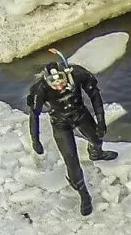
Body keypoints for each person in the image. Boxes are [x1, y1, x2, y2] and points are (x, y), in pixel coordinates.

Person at [28, 60, 117, 216]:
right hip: (60, 123)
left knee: (97, 138)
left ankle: (96, 152)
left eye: (61, 79)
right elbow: (34, 115)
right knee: (72, 162)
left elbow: (94, 95)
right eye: (53, 82)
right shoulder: (39, 89)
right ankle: (84, 195)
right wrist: (35, 139)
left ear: (66, 74)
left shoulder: (77, 74)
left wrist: (100, 120)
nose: (58, 85)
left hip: (80, 114)